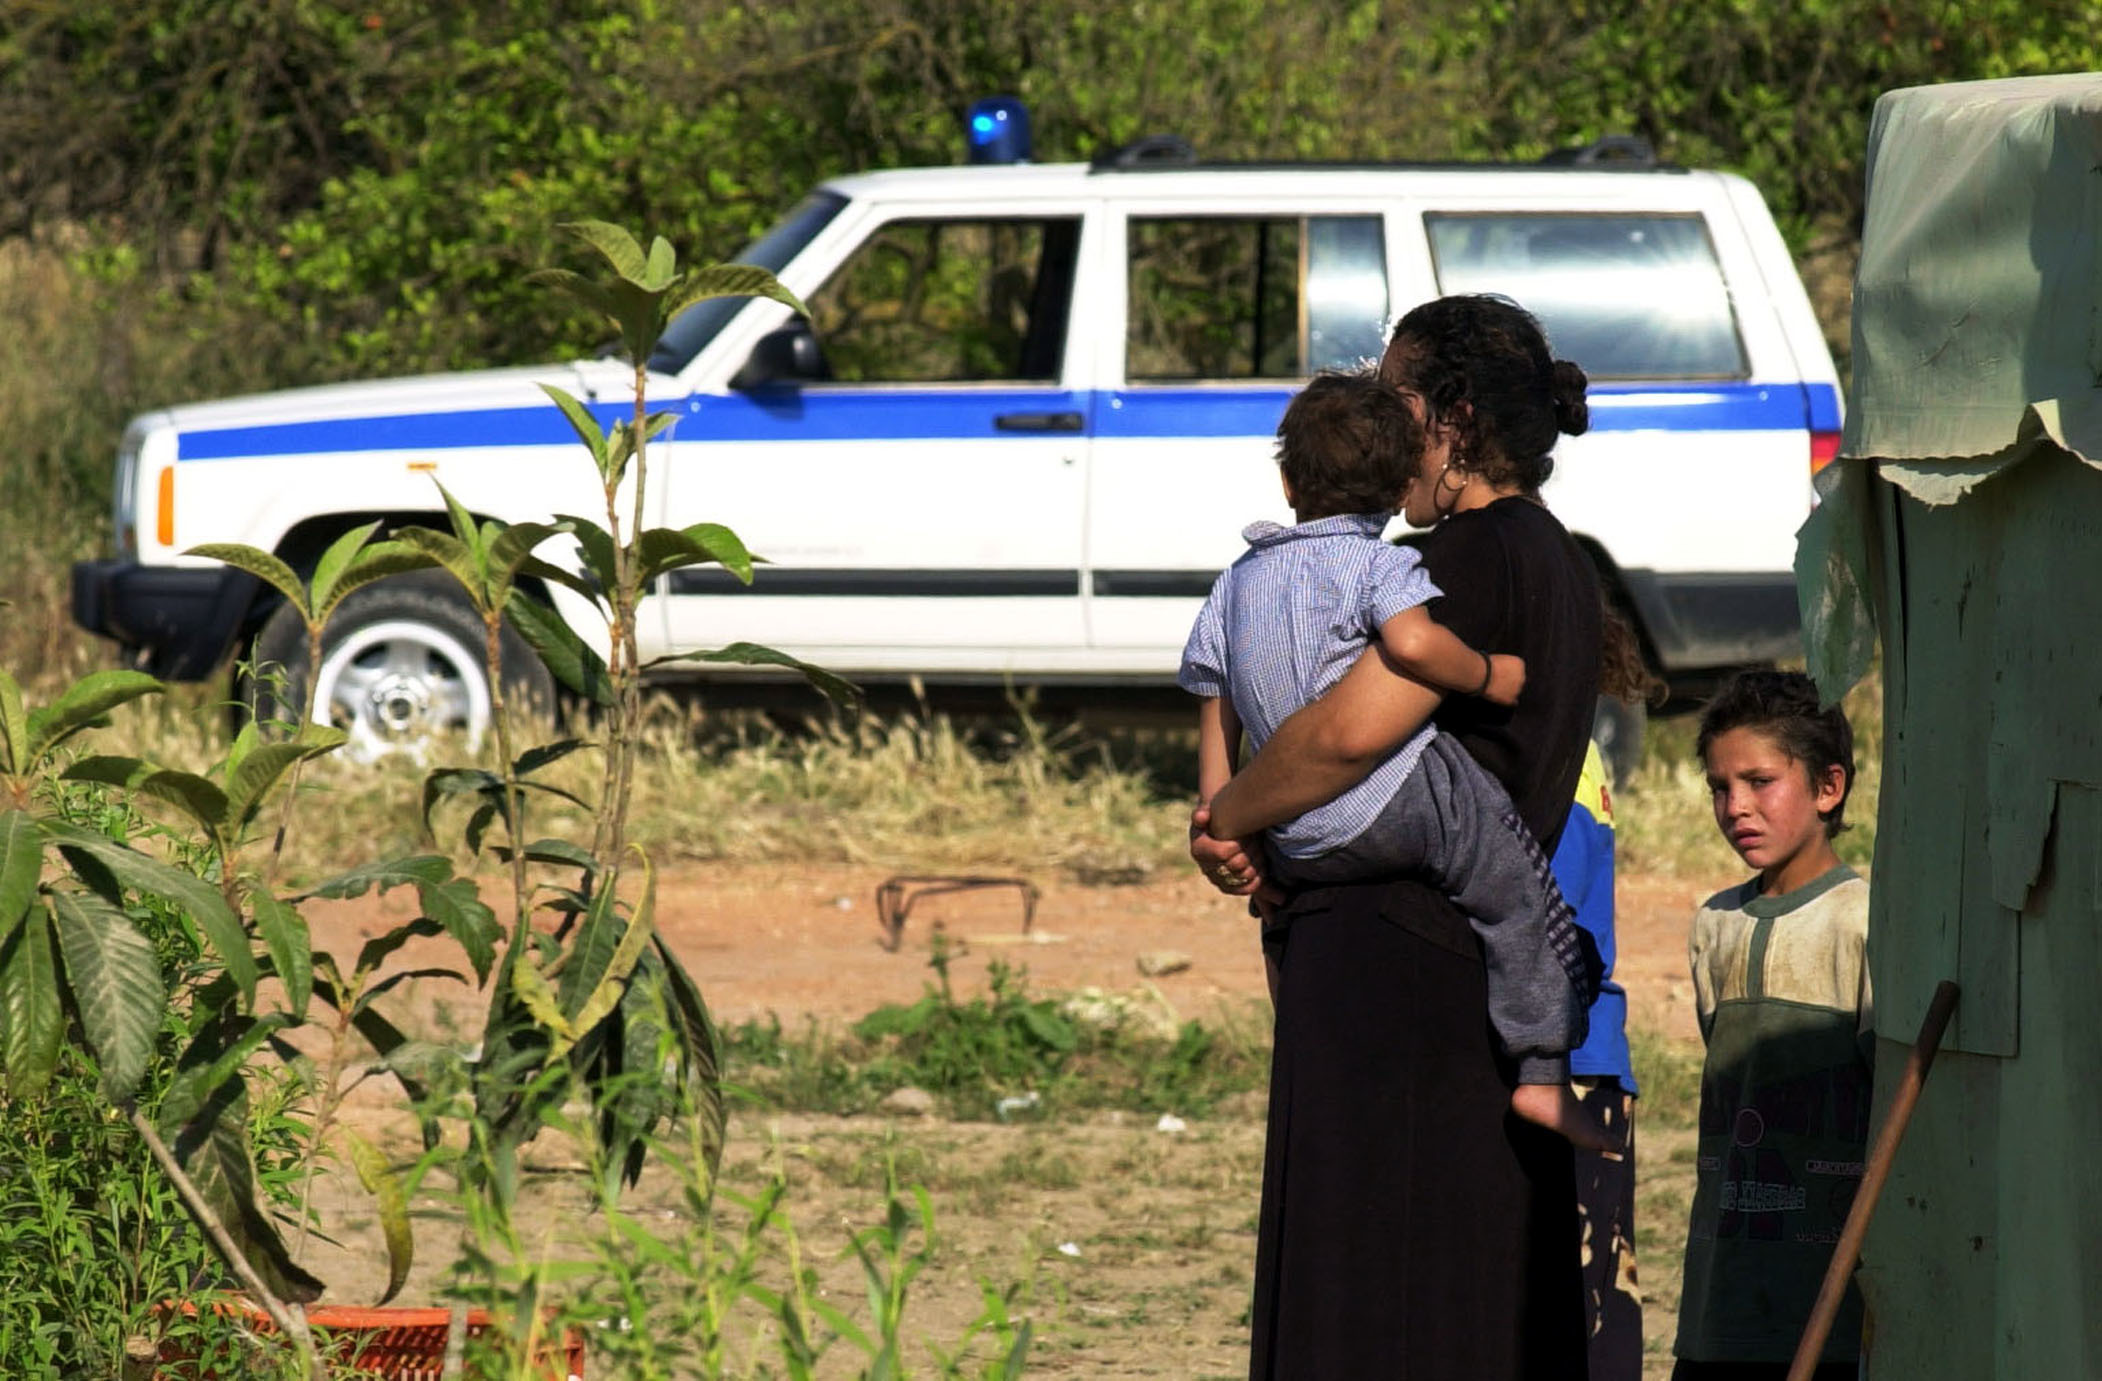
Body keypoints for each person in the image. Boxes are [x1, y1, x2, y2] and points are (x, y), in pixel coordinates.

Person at [1194, 293, 1615, 1379]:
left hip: (1398, 967)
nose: (1377, 430)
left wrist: (1227, 816)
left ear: (1452, 420)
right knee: (1471, 1287)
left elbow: (1341, 734)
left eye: (1394, 401)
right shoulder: (1556, 559)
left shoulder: (1461, 563)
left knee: (1372, 1290)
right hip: (1461, 964)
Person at [1180, 369, 1603, 1146]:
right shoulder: (1382, 565)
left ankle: (1296, 1018)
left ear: (1285, 480)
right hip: (1391, 804)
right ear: (1403, 480)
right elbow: (1410, 645)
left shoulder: (1234, 585)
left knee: (1278, 916)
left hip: (1298, 837)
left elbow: (1217, 706)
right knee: (1514, 881)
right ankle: (1544, 1070)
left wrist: (1226, 826)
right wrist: (1490, 673)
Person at [1674, 670, 1871, 1381]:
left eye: (1760, 781)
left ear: (1829, 786)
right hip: (1720, 1294)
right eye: (1721, 787)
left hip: (1825, 1304)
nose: (1737, 807)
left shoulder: (1861, 922)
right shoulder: (1714, 924)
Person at [1556, 738, 1644, 1381]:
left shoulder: (1534, 739)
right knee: (1601, 1303)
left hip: (1561, 1062)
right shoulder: (1573, 740)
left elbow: (1544, 915)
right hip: (1589, 1055)